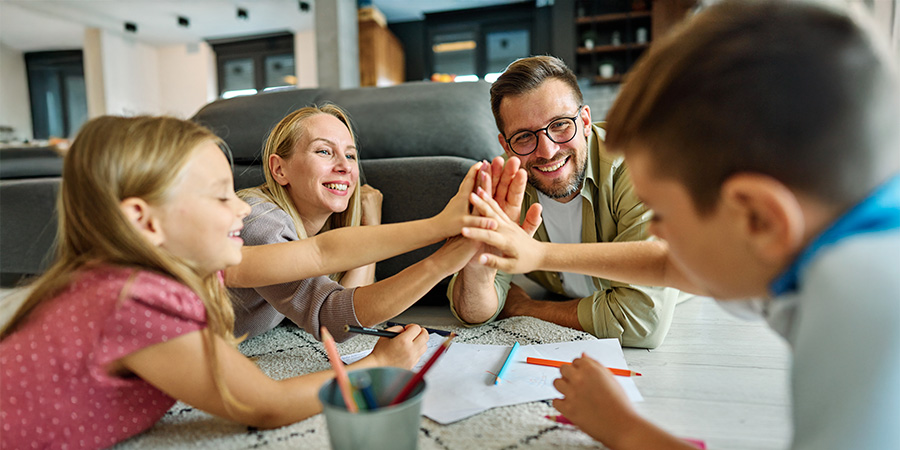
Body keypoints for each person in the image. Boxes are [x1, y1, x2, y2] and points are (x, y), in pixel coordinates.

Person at [462, 1, 900, 448]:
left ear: (758, 217)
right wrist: (535, 255)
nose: (653, 235)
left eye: (663, 215)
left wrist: (626, 429)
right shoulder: (824, 247)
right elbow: (668, 268)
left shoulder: (863, 303)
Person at [0, 116, 430, 449]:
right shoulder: (132, 300)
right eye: (222, 195)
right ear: (144, 222)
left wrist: (443, 226)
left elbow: (323, 253)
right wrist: (378, 367)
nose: (241, 209)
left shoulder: (170, 267)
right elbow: (265, 405)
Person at [448, 55, 683, 348]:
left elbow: (641, 323)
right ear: (505, 145)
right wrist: (478, 269)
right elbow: (472, 312)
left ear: (585, 120)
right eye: (523, 137)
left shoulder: (642, 166)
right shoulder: (505, 185)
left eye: (560, 125)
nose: (547, 151)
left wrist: (527, 309)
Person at [226, 104, 488, 341]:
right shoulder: (257, 219)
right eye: (324, 151)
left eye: (350, 156)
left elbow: (347, 313)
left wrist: (369, 222)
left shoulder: (321, 226)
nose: (344, 166)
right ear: (279, 169)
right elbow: (333, 319)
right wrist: (441, 238)